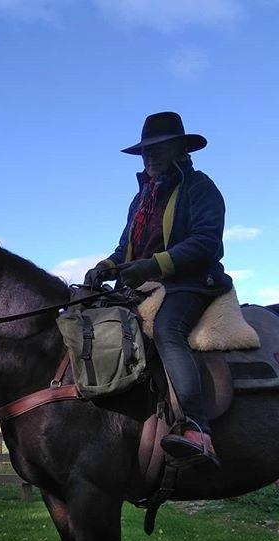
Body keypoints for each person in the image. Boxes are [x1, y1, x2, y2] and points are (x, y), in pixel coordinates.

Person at [84, 111, 232, 466]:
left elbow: (205, 243)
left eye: (158, 148)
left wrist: (156, 265)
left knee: (167, 330)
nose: (149, 156)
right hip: (144, 285)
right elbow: (126, 248)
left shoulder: (200, 188)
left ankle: (197, 427)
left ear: (179, 149)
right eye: (145, 151)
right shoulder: (141, 200)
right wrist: (107, 266)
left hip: (192, 282)